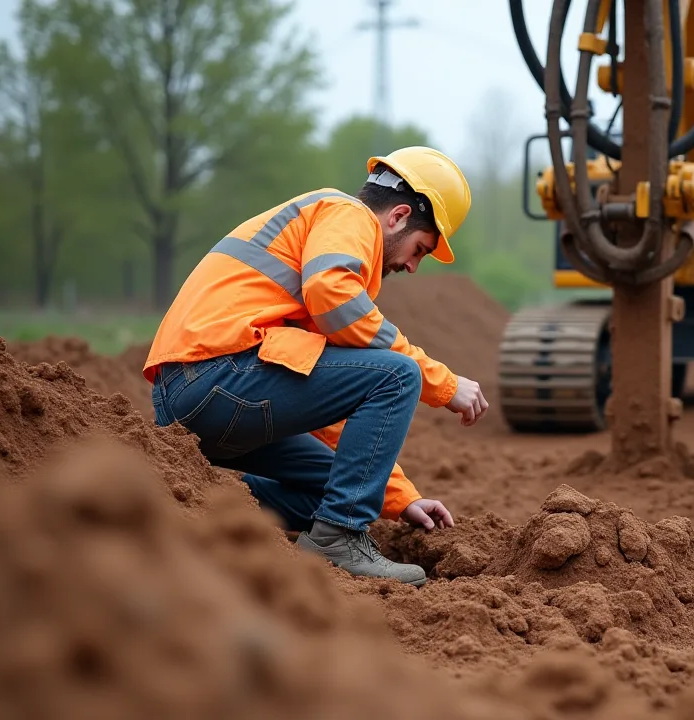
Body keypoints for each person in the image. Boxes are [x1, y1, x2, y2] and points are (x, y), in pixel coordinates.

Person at [142, 146, 488, 588]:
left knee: (342, 482)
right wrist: (442, 383)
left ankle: (208, 508)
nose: (412, 267)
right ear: (399, 216)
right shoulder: (348, 214)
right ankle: (339, 537)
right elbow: (334, 296)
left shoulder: (318, 236)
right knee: (399, 374)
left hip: (195, 393)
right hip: (216, 379)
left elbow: (330, 394)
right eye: (420, 249)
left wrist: (400, 499)